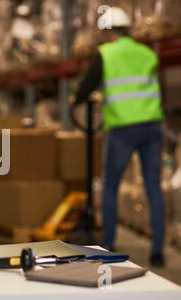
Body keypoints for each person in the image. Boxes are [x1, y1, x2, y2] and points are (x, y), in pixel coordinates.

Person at [73, 7, 165, 267]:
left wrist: (77, 98)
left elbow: (86, 87)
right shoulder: (148, 53)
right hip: (151, 126)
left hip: (123, 128)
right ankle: (157, 251)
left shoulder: (105, 54)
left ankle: (109, 246)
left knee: (111, 185)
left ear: (108, 32)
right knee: (153, 187)